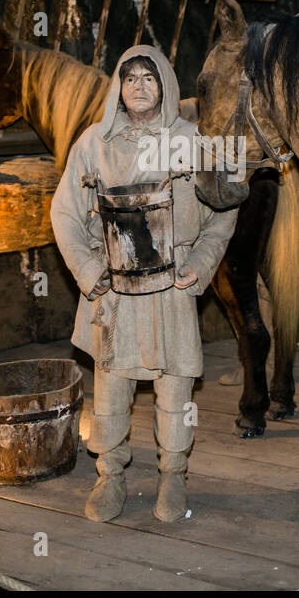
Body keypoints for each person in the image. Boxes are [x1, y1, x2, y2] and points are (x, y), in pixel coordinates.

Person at [50, 45, 238, 523]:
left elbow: (226, 208)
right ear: (118, 85)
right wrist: (89, 273)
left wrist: (201, 259)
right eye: (129, 77)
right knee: (111, 393)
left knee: (176, 393)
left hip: (173, 290)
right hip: (113, 290)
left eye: (148, 78)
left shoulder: (193, 143)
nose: (138, 86)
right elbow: (65, 214)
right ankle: (110, 477)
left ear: (167, 86)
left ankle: (173, 477)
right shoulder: (93, 143)